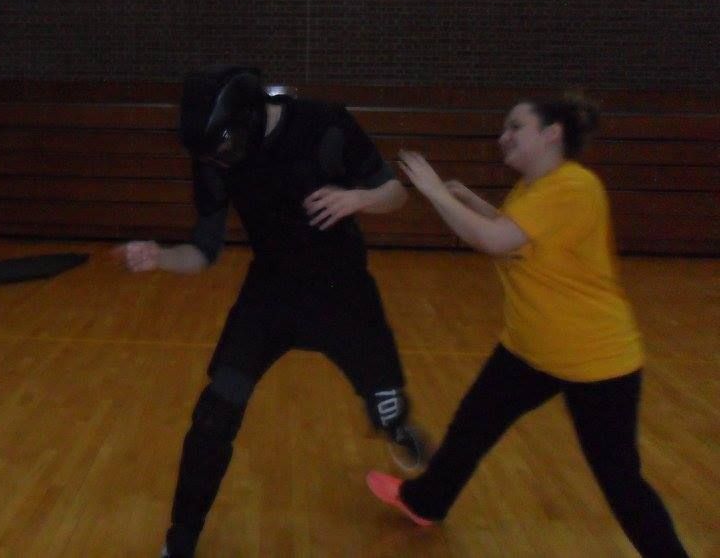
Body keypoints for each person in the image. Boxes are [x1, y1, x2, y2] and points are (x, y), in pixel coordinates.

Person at [116, 67, 427, 558]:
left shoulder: (324, 124)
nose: (219, 160)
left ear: (249, 115)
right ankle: (180, 541)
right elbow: (203, 251)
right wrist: (161, 257)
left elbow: (395, 193)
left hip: (341, 290)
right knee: (214, 415)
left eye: (223, 147)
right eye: (209, 155)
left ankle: (393, 423)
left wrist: (357, 198)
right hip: (271, 295)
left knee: (385, 396)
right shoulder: (215, 157)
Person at [366, 93, 688, 557]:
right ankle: (425, 502)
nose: (504, 136)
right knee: (472, 427)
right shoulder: (536, 189)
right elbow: (513, 235)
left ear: (552, 133)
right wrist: (468, 199)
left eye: (516, 126)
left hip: (595, 362)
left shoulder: (573, 186)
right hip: (530, 350)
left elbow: (494, 240)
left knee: (620, 481)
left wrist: (435, 190)